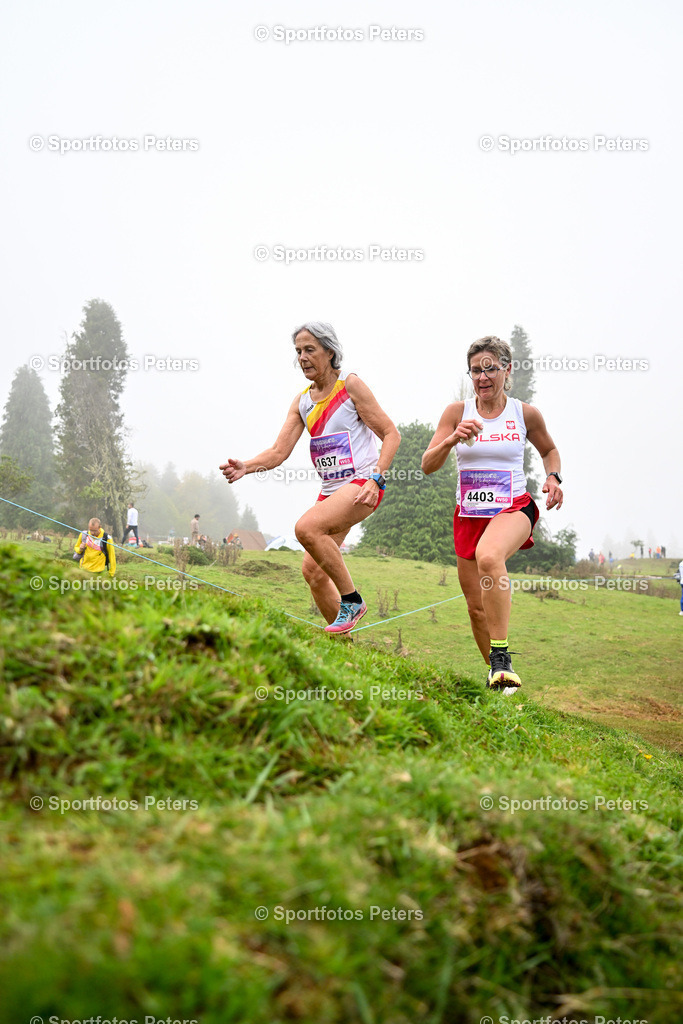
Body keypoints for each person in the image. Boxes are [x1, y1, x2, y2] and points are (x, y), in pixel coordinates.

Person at [220, 321, 401, 633]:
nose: (302, 357)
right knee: (313, 573)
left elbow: (391, 434)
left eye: (309, 350)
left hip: (362, 485)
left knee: (306, 528)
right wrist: (246, 466)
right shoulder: (303, 401)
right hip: (331, 492)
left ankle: (353, 600)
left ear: (330, 352)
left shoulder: (350, 385)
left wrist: (377, 479)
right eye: (298, 351)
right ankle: (346, 649)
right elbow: (278, 451)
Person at [421, 335, 563, 691]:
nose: (482, 378)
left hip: (514, 507)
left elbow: (550, 450)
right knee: (476, 609)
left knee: (489, 555)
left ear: (507, 369)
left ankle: (501, 655)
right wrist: (452, 438)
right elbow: (427, 464)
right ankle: (501, 680)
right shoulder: (457, 413)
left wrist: (553, 477)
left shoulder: (524, 413)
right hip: (469, 514)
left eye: (490, 369)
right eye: (475, 371)